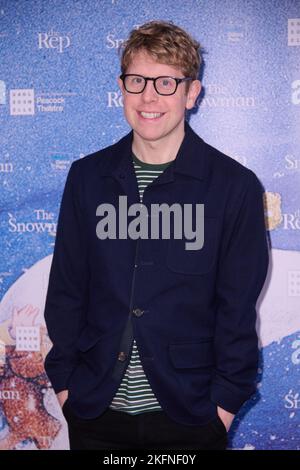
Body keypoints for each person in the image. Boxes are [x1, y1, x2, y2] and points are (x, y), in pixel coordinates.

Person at [44, 20, 269, 450]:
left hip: (191, 415)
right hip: (93, 411)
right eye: (137, 81)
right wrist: (66, 388)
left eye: (166, 82)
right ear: (121, 88)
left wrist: (221, 410)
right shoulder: (87, 178)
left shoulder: (233, 186)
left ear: (191, 92)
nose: (149, 97)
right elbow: (67, 290)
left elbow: (237, 308)